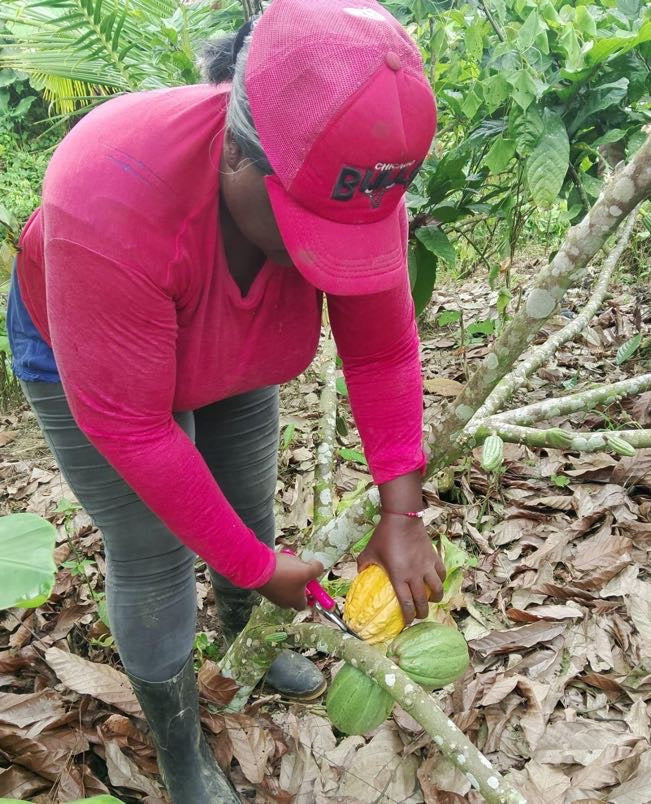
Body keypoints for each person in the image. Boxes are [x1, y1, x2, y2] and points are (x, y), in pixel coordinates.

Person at [6, 0, 446, 800]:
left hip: (233, 345)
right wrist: (252, 565)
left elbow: (382, 347)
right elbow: (136, 428)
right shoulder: (110, 191)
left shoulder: (356, 168)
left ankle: (244, 632)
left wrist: (401, 515)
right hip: (96, 353)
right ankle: (179, 748)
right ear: (238, 153)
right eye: (306, 228)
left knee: (248, 511)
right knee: (154, 555)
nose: (325, 258)